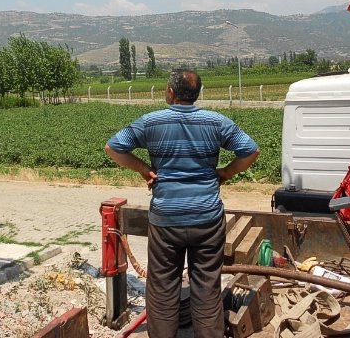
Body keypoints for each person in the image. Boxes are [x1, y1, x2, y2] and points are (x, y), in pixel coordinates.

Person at [105, 68, 259, 338]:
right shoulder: (216, 122)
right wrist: (225, 173)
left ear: (171, 92)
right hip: (208, 220)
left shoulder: (151, 122)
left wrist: (143, 168)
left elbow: (113, 148)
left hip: (166, 221)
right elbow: (251, 150)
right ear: (196, 94)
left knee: (163, 289)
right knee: (207, 289)